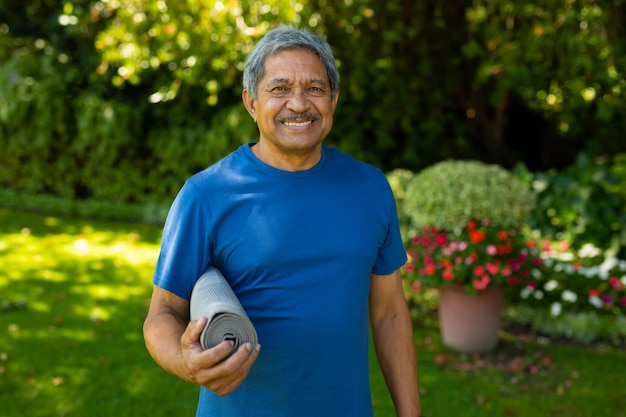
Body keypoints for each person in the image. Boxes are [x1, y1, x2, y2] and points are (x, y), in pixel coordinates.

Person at [143, 26, 422, 417]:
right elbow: (163, 313)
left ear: (333, 100)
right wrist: (186, 363)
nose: (298, 103)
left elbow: (390, 311)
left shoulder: (369, 188)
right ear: (251, 103)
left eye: (314, 88)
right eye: (279, 89)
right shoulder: (206, 194)